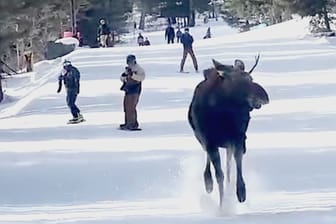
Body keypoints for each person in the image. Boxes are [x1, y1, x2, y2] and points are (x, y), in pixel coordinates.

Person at [119, 55, 145, 130]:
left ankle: (133, 123)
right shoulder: (128, 69)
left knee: (132, 107)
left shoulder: (138, 69)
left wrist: (133, 75)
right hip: (128, 89)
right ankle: (127, 122)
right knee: (126, 106)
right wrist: (125, 76)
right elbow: (122, 77)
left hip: (135, 89)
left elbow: (141, 77)